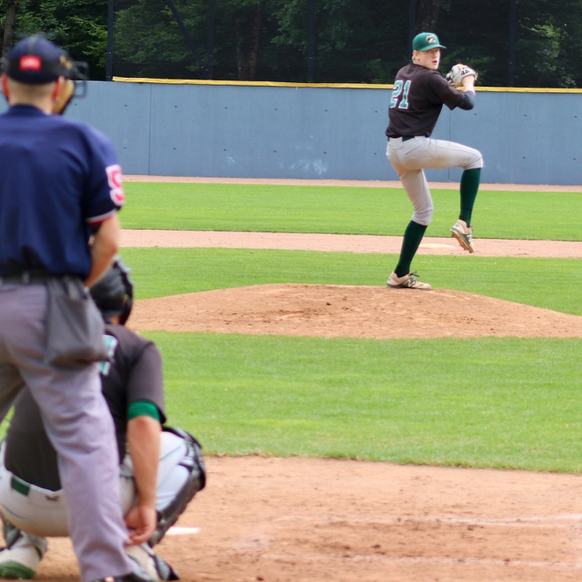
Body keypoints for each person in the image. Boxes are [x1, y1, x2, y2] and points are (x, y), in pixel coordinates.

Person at [0, 35, 150, 582]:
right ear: (61, 88)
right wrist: (70, 285)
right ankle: (105, 569)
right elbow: (107, 243)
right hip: (50, 305)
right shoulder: (83, 140)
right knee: (85, 444)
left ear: (3, 85)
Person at [0, 259, 206, 581]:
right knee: (185, 449)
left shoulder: (34, 338)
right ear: (123, 302)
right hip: (97, 504)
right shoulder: (134, 346)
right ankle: (135, 548)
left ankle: (21, 548)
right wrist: (147, 503)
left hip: (18, 506)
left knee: (12, 441)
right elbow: (142, 424)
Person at [385, 32, 484, 290]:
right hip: (413, 146)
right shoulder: (430, 77)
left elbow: (430, 89)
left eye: (437, 51)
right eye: (428, 52)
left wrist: (449, 82)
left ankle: (400, 275)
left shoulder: (403, 72)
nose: (435, 55)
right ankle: (465, 222)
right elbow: (467, 103)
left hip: (395, 150)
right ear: (415, 54)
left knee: (423, 212)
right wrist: (469, 81)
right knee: (474, 159)